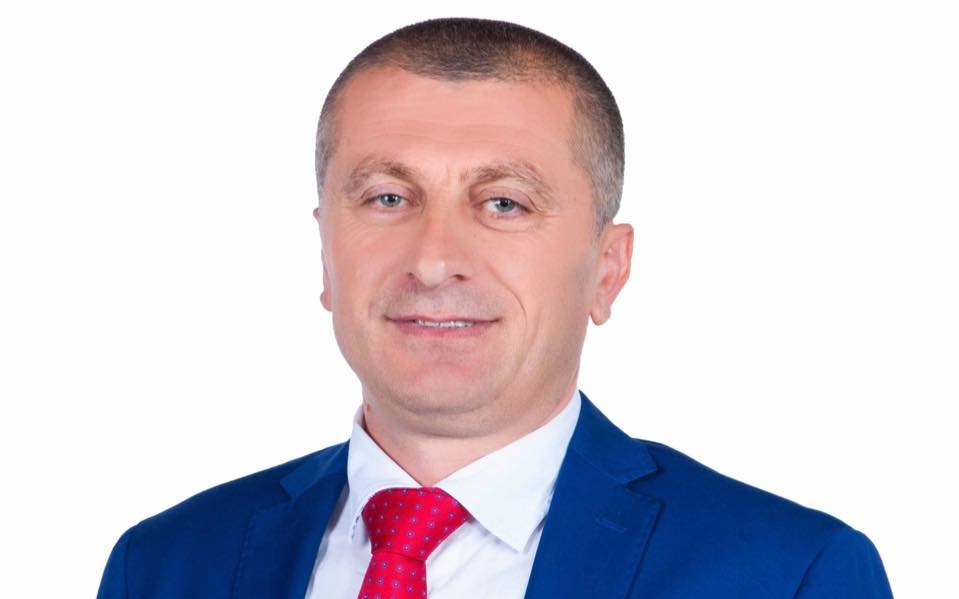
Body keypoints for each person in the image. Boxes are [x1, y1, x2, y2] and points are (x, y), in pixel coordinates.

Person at [96, 17, 894, 599]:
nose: (433, 258)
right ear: (325, 254)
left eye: (504, 203)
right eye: (387, 197)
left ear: (607, 269)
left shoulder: (788, 572)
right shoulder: (163, 565)